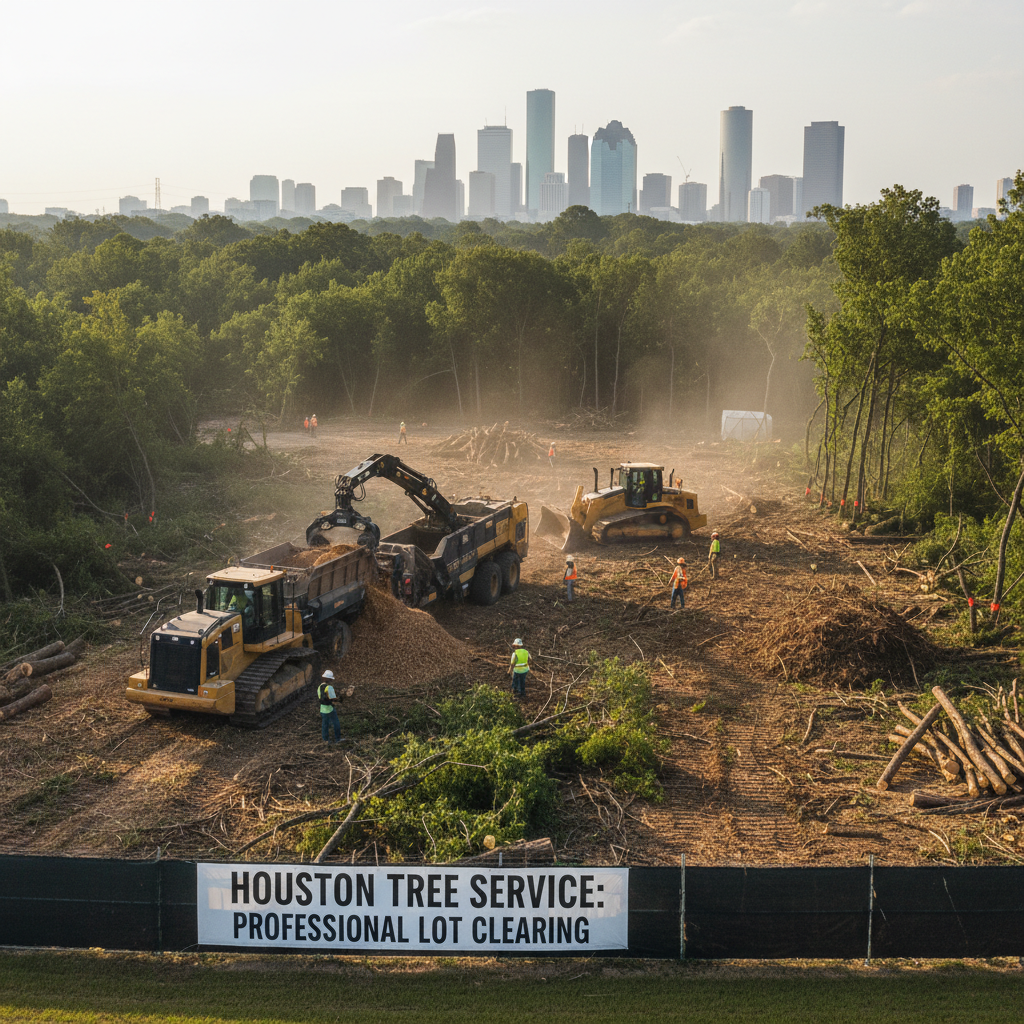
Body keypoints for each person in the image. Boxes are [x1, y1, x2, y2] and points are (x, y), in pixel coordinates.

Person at [317, 669, 350, 744]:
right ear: (329, 679)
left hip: (322, 709)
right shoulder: (329, 687)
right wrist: (341, 697)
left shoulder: (319, 687)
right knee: (336, 724)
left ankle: (325, 740)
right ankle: (337, 739)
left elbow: (322, 697)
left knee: (325, 725)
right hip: (329, 709)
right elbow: (333, 699)